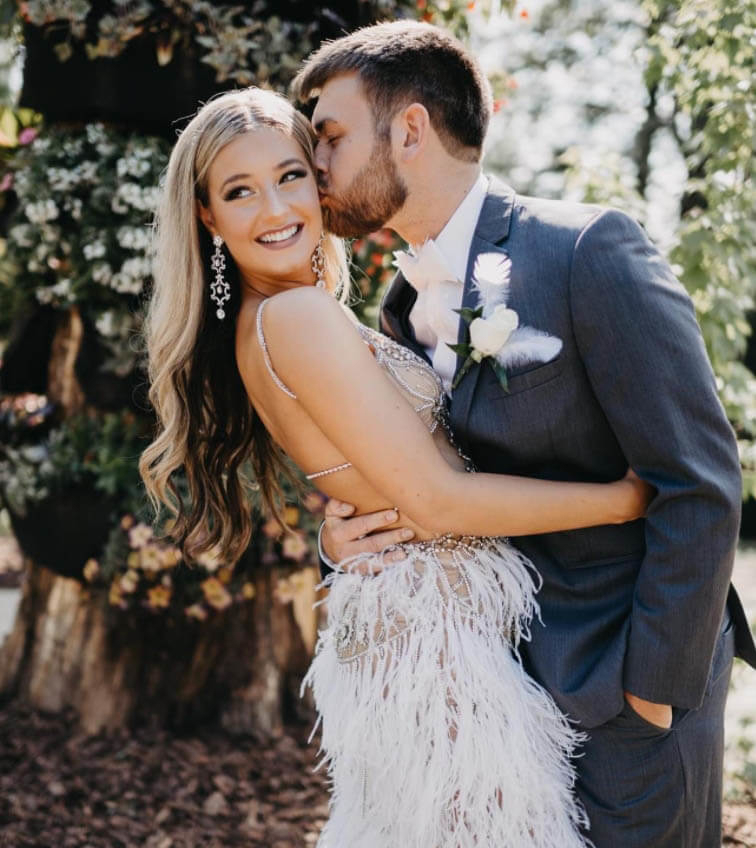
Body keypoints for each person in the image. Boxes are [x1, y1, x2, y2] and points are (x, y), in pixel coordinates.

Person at [139, 86, 655, 847]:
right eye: (239, 192)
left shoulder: (276, 316)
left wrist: (335, 535)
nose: (275, 208)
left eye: (289, 176)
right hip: (430, 638)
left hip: (413, 618)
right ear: (206, 217)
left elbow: (364, 473)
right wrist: (625, 500)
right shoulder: (296, 316)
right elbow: (440, 499)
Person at [293, 19, 756, 848]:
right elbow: (437, 488)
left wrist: (651, 691)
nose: (314, 166)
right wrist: (348, 537)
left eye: (329, 136)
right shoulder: (401, 308)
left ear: (409, 130)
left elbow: (701, 481)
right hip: (496, 692)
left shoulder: (586, 249)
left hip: (623, 689)